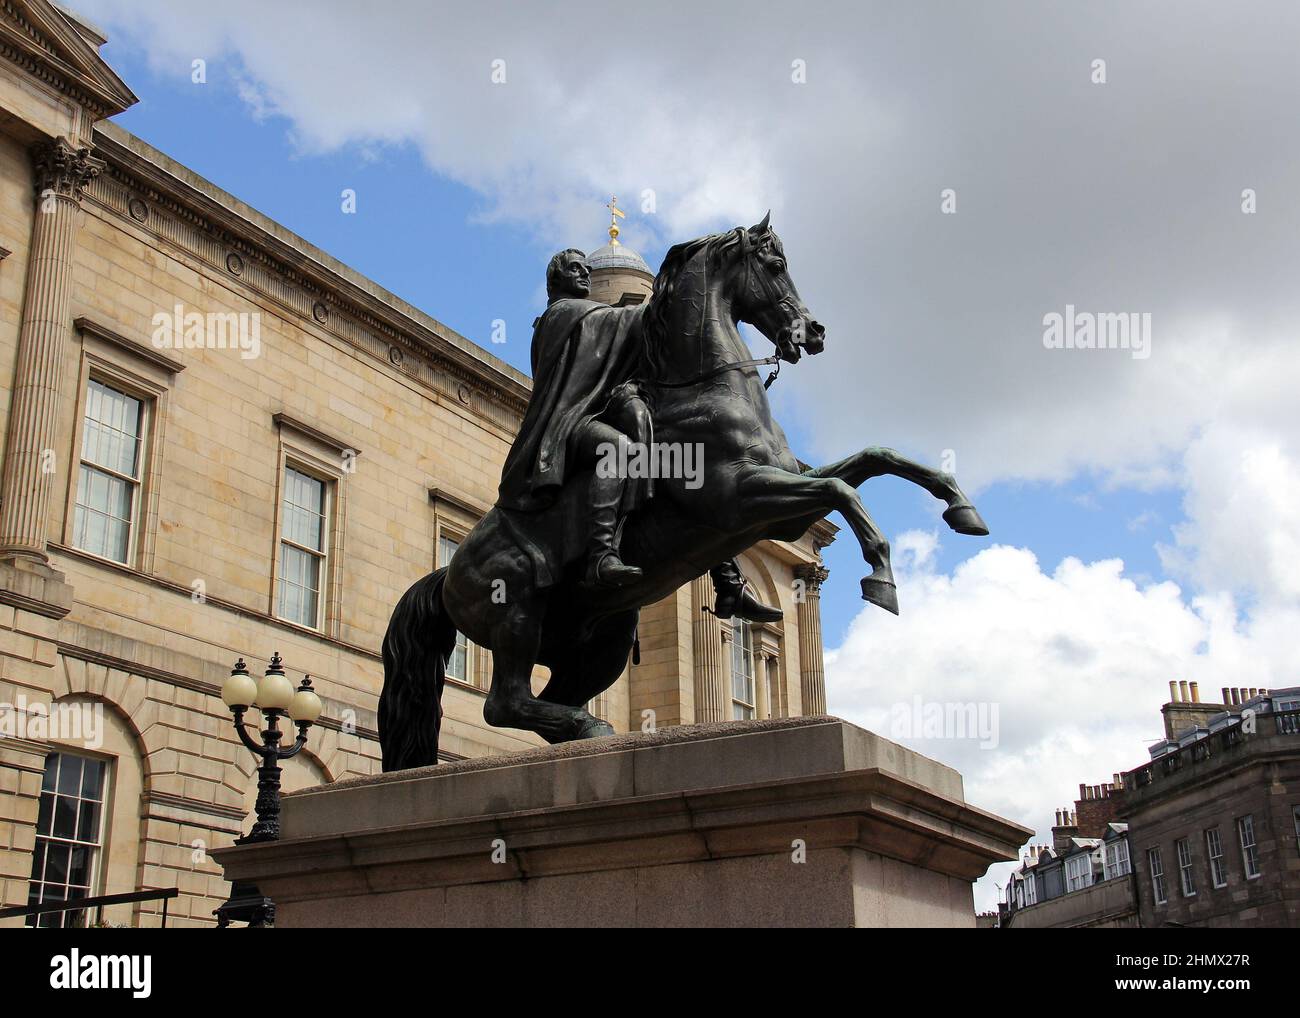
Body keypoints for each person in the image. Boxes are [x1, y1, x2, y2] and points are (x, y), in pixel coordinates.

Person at [497, 249, 781, 621]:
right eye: (575, 269)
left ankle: (728, 583)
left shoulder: (595, 322)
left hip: (603, 413)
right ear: (555, 281)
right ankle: (600, 555)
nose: (584, 273)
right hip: (571, 424)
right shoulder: (562, 314)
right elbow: (627, 324)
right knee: (618, 450)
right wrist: (679, 298)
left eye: (587, 268)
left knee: (698, 474)